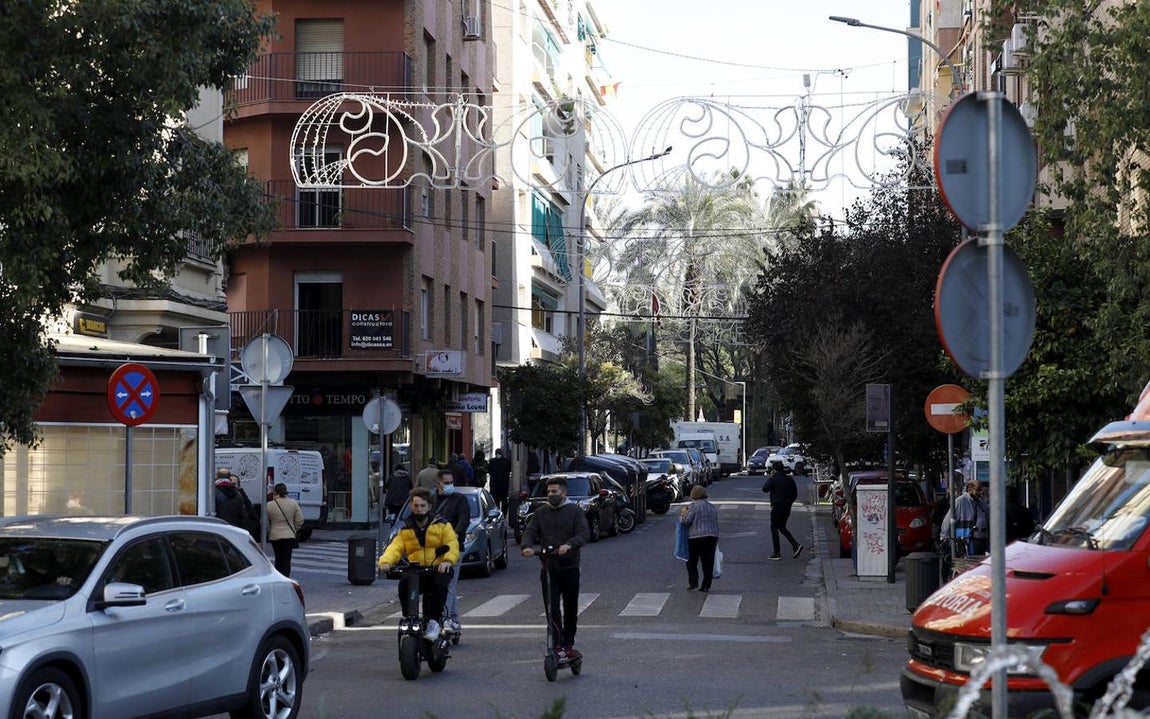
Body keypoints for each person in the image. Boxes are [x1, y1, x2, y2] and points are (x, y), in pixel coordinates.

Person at [521, 475, 591, 662]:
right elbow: (530, 532)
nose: (551, 495)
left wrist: (570, 545)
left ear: (564, 492)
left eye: (555, 492)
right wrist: (526, 546)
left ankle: (568, 644)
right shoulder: (541, 513)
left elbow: (584, 533)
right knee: (551, 607)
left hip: (570, 567)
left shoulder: (575, 512)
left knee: (570, 608)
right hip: (549, 567)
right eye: (549, 492)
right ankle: (555, 643)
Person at [377, 487, 459, 640]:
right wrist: (386, 562)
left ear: (429, 507)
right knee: (403, 585)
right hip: (417, 570)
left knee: (440, 586)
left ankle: (434, 622)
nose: (419, 509)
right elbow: (395, 547)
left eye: (422, 506)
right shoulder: (406, 529)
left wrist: (447, 561)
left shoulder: (442, 525)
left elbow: (452, 543)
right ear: (411, 507)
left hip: (437, 569)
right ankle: (410, 618)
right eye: (416, 506)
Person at [432, 469, 470, 634]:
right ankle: (453, 618)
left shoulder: (459, 499)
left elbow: (464, 520)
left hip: (453, 549)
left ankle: (446, 618)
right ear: (438, 483)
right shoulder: (430, 500)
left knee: (448, 584)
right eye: (446, 482)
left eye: (451, 482)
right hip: (433, 550)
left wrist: (454, 535)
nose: (450, 485)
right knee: (440, 585)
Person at [679, 485, 720, 592]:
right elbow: (715, 522)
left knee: (691, 562)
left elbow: (686, 521)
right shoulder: (712, 507)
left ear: (693, 495)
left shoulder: (692, 506)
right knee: (708, 563)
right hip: (711, 537)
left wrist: (682, 514)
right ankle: (706, 586)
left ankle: (693, 583)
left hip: (695, 537)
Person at [761, 461, 803, 560]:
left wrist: (771, 478)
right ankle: (795, 545)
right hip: (787, 507)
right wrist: (789, 503)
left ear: (774, 470)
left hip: (777, 507)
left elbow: (764, 489)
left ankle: (777, 552)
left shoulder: (773, 479)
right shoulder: (789, 479)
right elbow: (795, 494)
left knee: (774, 528)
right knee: (782, 527)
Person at [267, 483, 304, 577]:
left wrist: (268, 531)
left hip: (275, 535)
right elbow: (300, 519)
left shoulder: (270, 505)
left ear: (275, 492)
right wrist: (294, 529)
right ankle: (286, 576)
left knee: (278, 558)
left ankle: (278, 576)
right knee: (287, 559)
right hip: (289, 535)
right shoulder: (293, 503)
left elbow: (265, 522)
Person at [954, 479, 989, 555]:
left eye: (981, 489)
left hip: (982, 541)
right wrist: (944, 537)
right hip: (967, 542)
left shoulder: (981, 503)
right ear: (969, 489)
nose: (980, 492)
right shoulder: (961, 501)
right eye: (978, 489)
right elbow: (949, 520)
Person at [487, 448, 512, 512]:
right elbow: (489, 470)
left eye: (499, 453)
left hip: (501, 485)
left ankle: (503, 513)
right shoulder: (492, 461)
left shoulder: (506, 461)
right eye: (497, 453)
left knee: (503, 501)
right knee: (496, 502)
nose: (498, 455)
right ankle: (498, 513)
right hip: (496, 485)